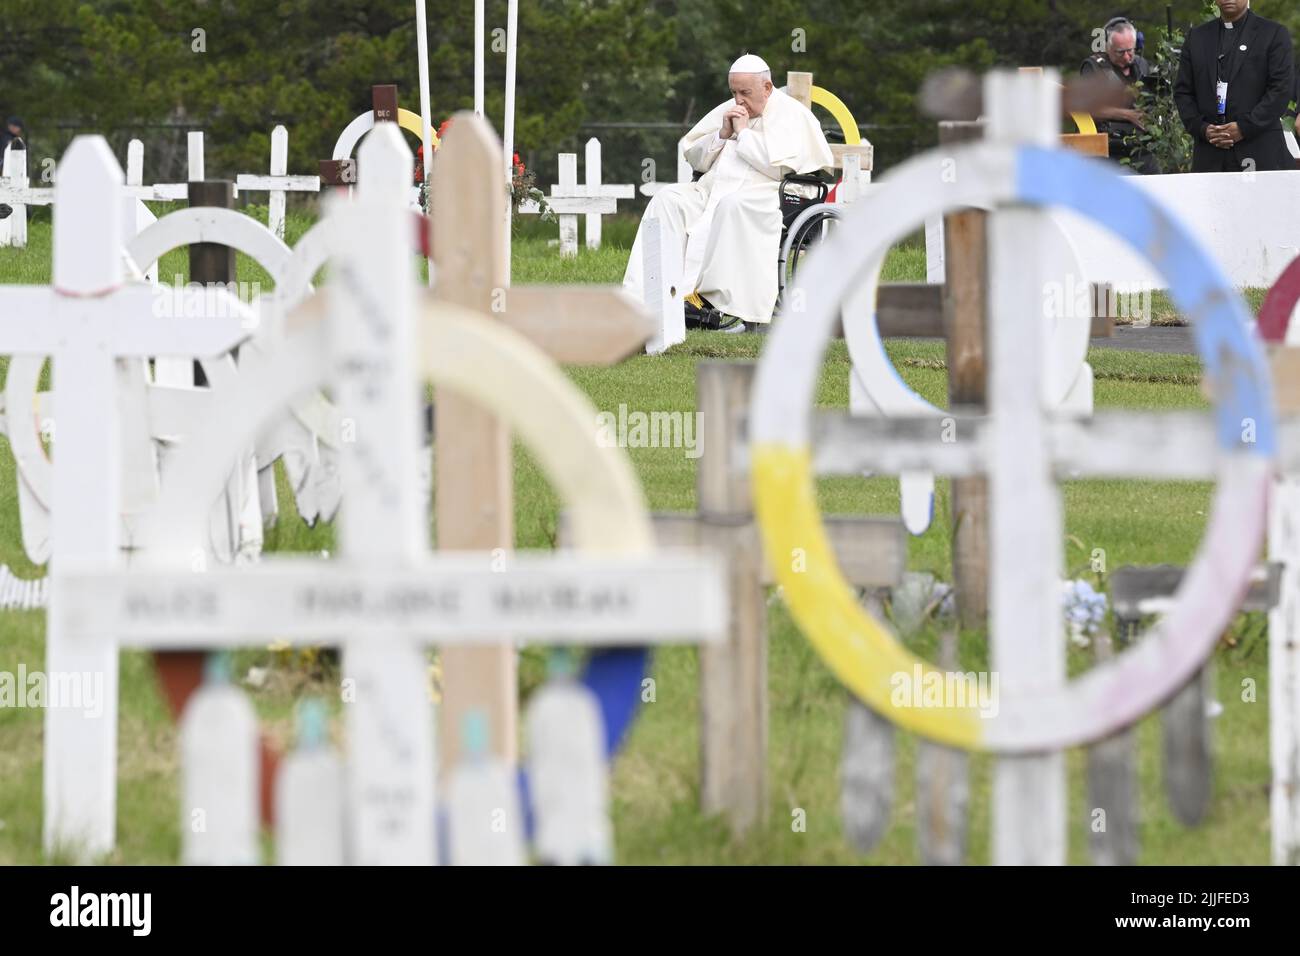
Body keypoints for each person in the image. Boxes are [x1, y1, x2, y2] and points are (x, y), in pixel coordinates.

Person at [623, 53, 833, 330]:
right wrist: (721, 135)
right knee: (667, 199)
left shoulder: (794, 115)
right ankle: (642, 297)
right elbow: (695, 159)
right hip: (711, 192)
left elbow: (779, 168)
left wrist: (744, 134)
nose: (738, 100)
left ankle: (707, 303)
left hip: (770, 196)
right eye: (734, 92)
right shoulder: (728, 110)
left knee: (732, 205)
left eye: (745, 92)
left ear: (767, 87)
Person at [1173, 0, 1295, 172]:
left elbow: (1281, 89)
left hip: (1260, 154)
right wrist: (1203, 128)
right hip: (1210, 156)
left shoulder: (1273, 34)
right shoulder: (1197, 37)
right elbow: (1183, 92)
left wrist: (1244, 127)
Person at [1080, 17, 1159, 173]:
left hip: (1141, 147)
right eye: (1120, 52)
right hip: (1106, 149)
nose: (1126, 57)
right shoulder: (1093, 67)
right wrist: (1127, 115)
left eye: (1130, 50)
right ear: (1107, 47)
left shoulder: (1141, 64)